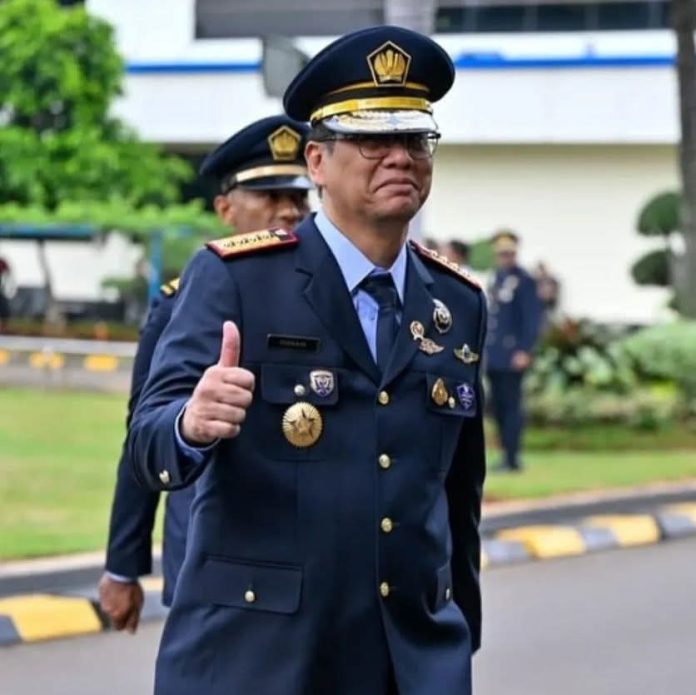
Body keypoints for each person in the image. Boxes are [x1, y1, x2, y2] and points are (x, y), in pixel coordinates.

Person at [128, 26, 486, 695]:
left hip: (410, 658)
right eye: (373, 140)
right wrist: (189, 423)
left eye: (416, 139)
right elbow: (149, 442)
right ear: (317, 162)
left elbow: (458, 492)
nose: (400, 157)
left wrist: (459, 626)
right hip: (264, 656)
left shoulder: (456, 302)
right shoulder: (237, 278)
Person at [98, 115, 312, 634]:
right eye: (269, 195)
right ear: (225, 209)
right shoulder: (183, 302)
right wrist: (123, 565)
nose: (288, 210)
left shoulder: (328, 297)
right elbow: (146, 431)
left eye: (298, 196)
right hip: (209, 549)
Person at [485, 230, 543, 473]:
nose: (505, 258)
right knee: (497, 407)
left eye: (508, 253)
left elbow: (532, 318)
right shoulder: (496, 278)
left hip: (512, 354)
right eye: (501, 254)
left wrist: (524, 349)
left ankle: (512, 457)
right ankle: (505, 454)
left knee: (511, 407)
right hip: (494, 354)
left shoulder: (524, 280)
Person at [0, 257, 12, 333]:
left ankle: (3, 329)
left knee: (5, 311)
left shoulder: (2, 262)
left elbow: (8, 271)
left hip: (1, 291)